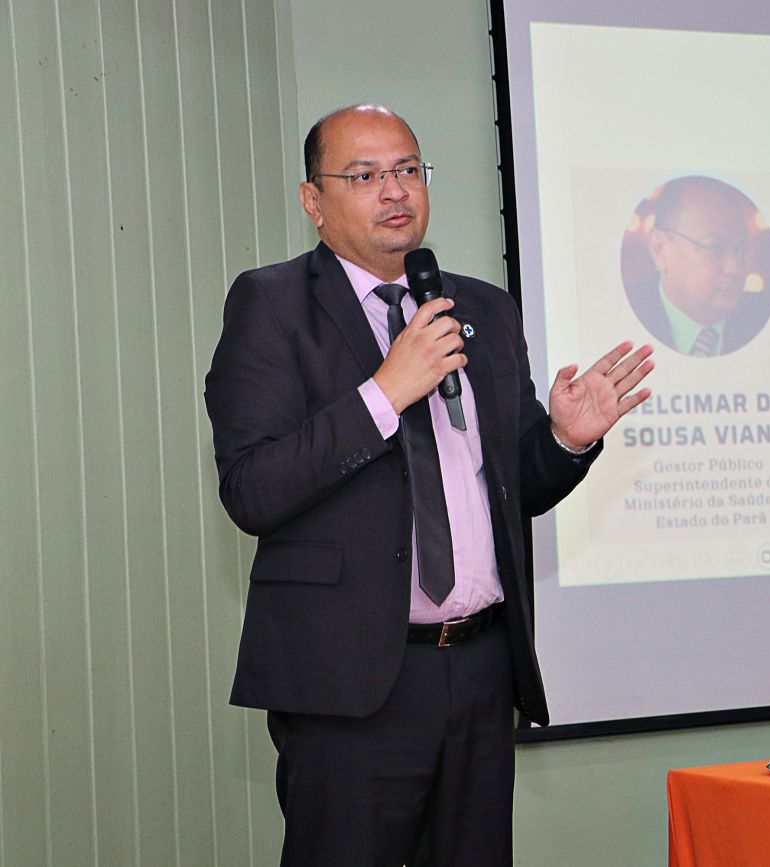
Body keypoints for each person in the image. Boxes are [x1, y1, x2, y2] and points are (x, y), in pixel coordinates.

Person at [204, 103, 652, 866]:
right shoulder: (271, 305)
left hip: (480, 670)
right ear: (313, 200)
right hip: (352, 683)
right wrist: (385, 391)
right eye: (364, 175)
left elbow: (513, 490)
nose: (394, 190)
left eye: (407, 169)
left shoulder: (483, 308)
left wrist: (565, 439)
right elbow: (252, 489)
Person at [624, 175, 770, 357]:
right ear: (659, 249)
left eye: (740, 250)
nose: (735, 269)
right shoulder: (621, 312)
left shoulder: (766, 316)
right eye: (714, 248)